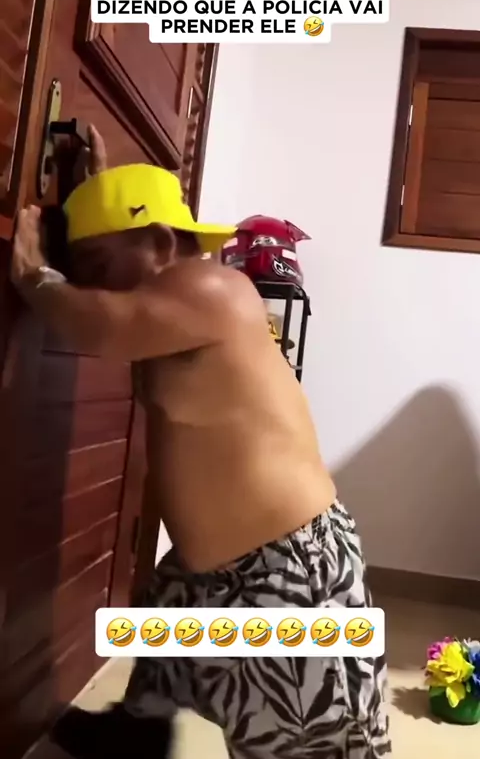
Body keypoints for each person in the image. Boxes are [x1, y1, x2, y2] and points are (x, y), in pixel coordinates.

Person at [11, 127, 390, 759]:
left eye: (99, 268)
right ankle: (136, 731)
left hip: (288, 573)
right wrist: (93, 199)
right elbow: (115, 294)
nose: (94, 286)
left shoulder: (210, 288)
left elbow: (102, 326)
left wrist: (38, 279)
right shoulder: (167, 299)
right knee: (171, 618)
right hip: (215, 568)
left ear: (163, 243)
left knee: (303, 727)